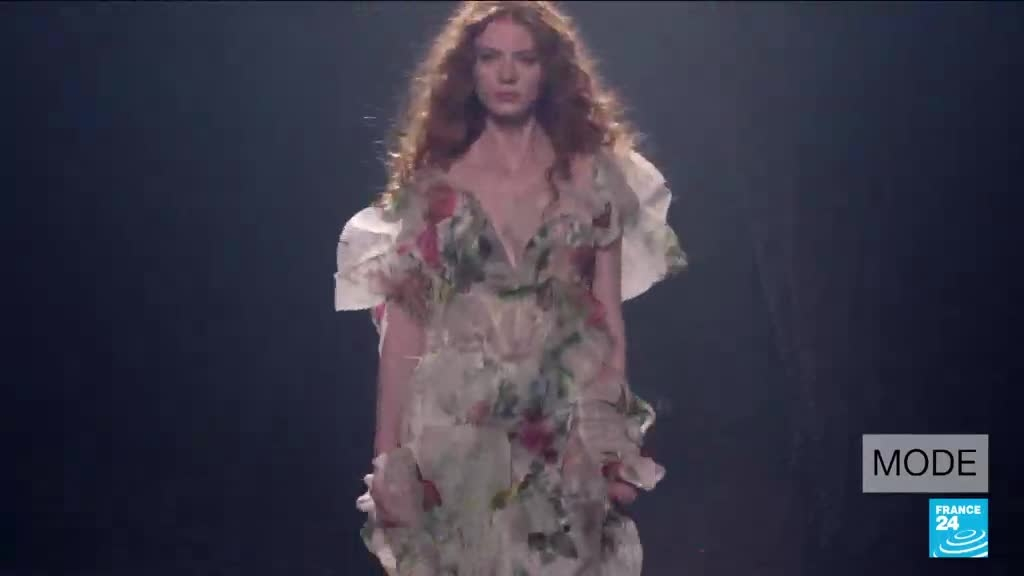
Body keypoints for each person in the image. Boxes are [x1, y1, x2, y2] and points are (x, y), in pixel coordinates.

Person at [334, 2, 686, 573]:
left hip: (559, 423)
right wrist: (388, 458)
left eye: (524, 59)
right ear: (468, 71)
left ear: (549, 70)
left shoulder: (592, 179)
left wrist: (607, 431)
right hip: (456, 428)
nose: (506, 74)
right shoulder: (435, 186)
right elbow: (404, 327)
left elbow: (606, 318)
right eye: (490, 58)